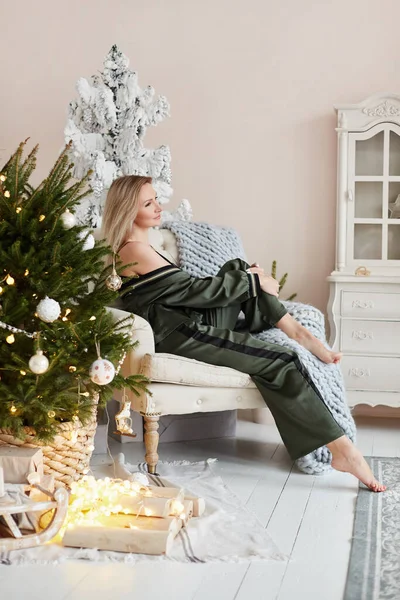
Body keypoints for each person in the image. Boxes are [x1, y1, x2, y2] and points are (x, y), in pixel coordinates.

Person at [101, 174, 386, 492]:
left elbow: (190, 293)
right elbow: (196, 291)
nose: (159, 206)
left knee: (238, 266)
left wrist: (252, 280)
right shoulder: (132, 251)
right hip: (181, 333)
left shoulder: (143, 247)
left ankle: (293, 329)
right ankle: (343, 451)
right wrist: (259, 284)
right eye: (148, 202)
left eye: (156, 198)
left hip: (190, 320)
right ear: (128, 209)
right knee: (283, 358)